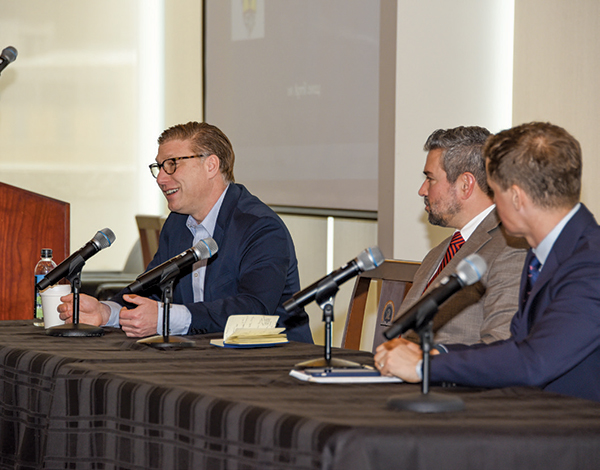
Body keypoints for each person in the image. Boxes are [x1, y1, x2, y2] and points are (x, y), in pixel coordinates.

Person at [375, 122, 600, 402]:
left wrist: (424, 366)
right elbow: (514, 347)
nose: (492, 203)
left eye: (494, 190)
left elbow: (534, 362)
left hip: (576, 433)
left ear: (516, 197)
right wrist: (436, 353)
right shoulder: (547, 252)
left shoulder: (591, 264)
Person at [59, 121, 313, 343]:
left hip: (273, 364)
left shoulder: (260, 227)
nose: (160, 178)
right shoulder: (178, 223)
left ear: (211, 165)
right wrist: (107, 311)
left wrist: (167, 319)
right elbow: (153, 287)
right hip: (204, 358)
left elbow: (254, 310)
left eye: (171, 165)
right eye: (158, 167)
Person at [397, 126, 527, 347]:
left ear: (466, 185)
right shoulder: (439, 252)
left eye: (430, 179)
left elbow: (501, 344)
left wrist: (425, 363)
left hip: (448, 378)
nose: (422, 190)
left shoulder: (512, 248)